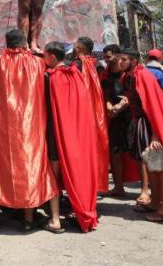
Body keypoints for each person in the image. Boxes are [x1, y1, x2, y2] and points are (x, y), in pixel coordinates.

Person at [0, 29, 58, 232]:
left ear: (6, 43)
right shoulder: (37, 63)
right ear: (24, 44)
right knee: (28, 166)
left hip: (0, 128)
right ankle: (28, 219)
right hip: (29, 127)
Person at [119, 49, 163, 223]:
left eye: (123, 59)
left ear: (134, 61)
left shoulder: (144, 76)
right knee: (152, 167)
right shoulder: (128, 78)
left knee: (160, 168)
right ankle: (156, 202)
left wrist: (156, 135)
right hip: (141, 124)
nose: (120, 62)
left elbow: (154, 108)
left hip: (153, 126)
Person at [43, 41, 99, 233]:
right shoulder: (75, 74)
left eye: (44, 56)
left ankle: (55, 219)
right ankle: (84, 210)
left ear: (51, 57)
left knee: (53, 175)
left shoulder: (48, 77)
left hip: (53, 132)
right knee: (78, 172)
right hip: (75, 133)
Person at [101, 44, 139, 198]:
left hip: (130, 115)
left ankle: (145, 188)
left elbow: (133, 95)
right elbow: (105, 94)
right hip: (115, 118)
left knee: (137, 152)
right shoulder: (105, 75)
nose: (106, 60)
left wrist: (120, 107)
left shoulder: (128, 74)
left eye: (109, 56)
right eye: (104, 57)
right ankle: (118, 187)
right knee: (114, 152)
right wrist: (111, 107)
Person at [72, 36, 109, 193]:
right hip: (92, 115)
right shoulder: (92, 64)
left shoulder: (78, 64)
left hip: (80, 115)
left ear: (80, 48)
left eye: (76, 45)